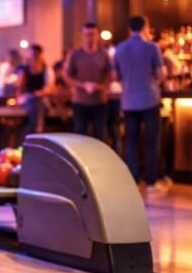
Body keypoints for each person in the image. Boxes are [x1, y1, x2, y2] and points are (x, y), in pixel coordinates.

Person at [113, 16, 166, 190]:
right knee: (152, 141)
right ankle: (151, 182)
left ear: (129, 28)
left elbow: (115, 76)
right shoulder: (152, 47)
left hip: (128, 100)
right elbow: (161, 74)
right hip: (149, 99)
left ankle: (133, 180)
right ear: (146, 27)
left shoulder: (120, 48)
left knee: (131, 141)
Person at [63, 22, 112, 140]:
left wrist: (98, 87)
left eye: (92, 34)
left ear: (97, 36)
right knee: (80, 137)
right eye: (87, 35)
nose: (90, 38)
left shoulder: (104, 55)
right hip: (80, 102)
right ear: (82, 36)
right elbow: (66, 76)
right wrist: (83, 85)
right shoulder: (74, 54)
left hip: (99, 102)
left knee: (100, 138)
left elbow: (110, 77)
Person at [16, 44, 50, 136]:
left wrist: (41, 93)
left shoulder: (46, 69)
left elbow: (49, 88)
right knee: (34, 101)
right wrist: (18, 99)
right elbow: (19, 86)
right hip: (28, 99)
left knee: (38, 101)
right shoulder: (25, 70)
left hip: (42, 99)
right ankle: (38, 129)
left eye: (35, 54)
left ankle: (34, 130)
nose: (33, 57)